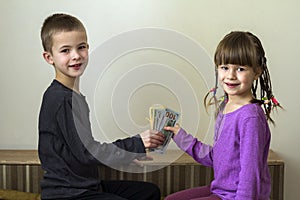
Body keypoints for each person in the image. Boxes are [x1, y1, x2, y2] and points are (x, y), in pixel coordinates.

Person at [38, 13, 165, 200]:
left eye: (81, 47)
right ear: (49, 57)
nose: (76, 56)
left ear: (88, 48)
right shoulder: (60, 99)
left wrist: (127, 155)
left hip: (86, 185)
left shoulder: (74, 96)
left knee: (149, 192)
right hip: (67, 193)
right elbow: (87, 152)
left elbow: (80, 152)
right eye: (65, 50)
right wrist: (136, 144)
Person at [164, 31, 282, 200]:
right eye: (225, 67)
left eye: (240, 69)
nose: (231, 75)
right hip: (221, 190)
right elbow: (216, 156)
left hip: (237, 196)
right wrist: (179, 135)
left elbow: (250, 176)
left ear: (256, 72)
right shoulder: (225, 107)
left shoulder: (250, 118)